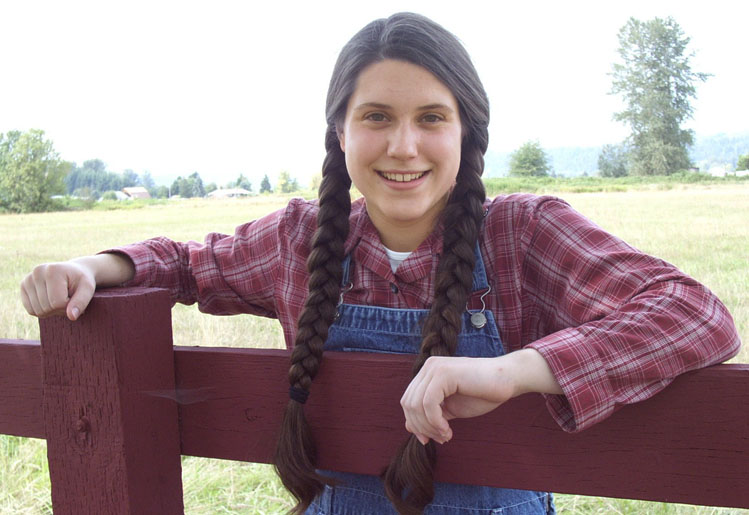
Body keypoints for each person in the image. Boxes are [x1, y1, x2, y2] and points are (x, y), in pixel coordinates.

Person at [20, 12, 740, 515]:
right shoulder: (300, 240)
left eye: (430, 117)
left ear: (466, 132)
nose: (403, 146)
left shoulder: (523, 233)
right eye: (376, 117)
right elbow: (184, 264)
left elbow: (694, 314)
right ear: (339, 132)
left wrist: (512, 371)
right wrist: (96, 265)